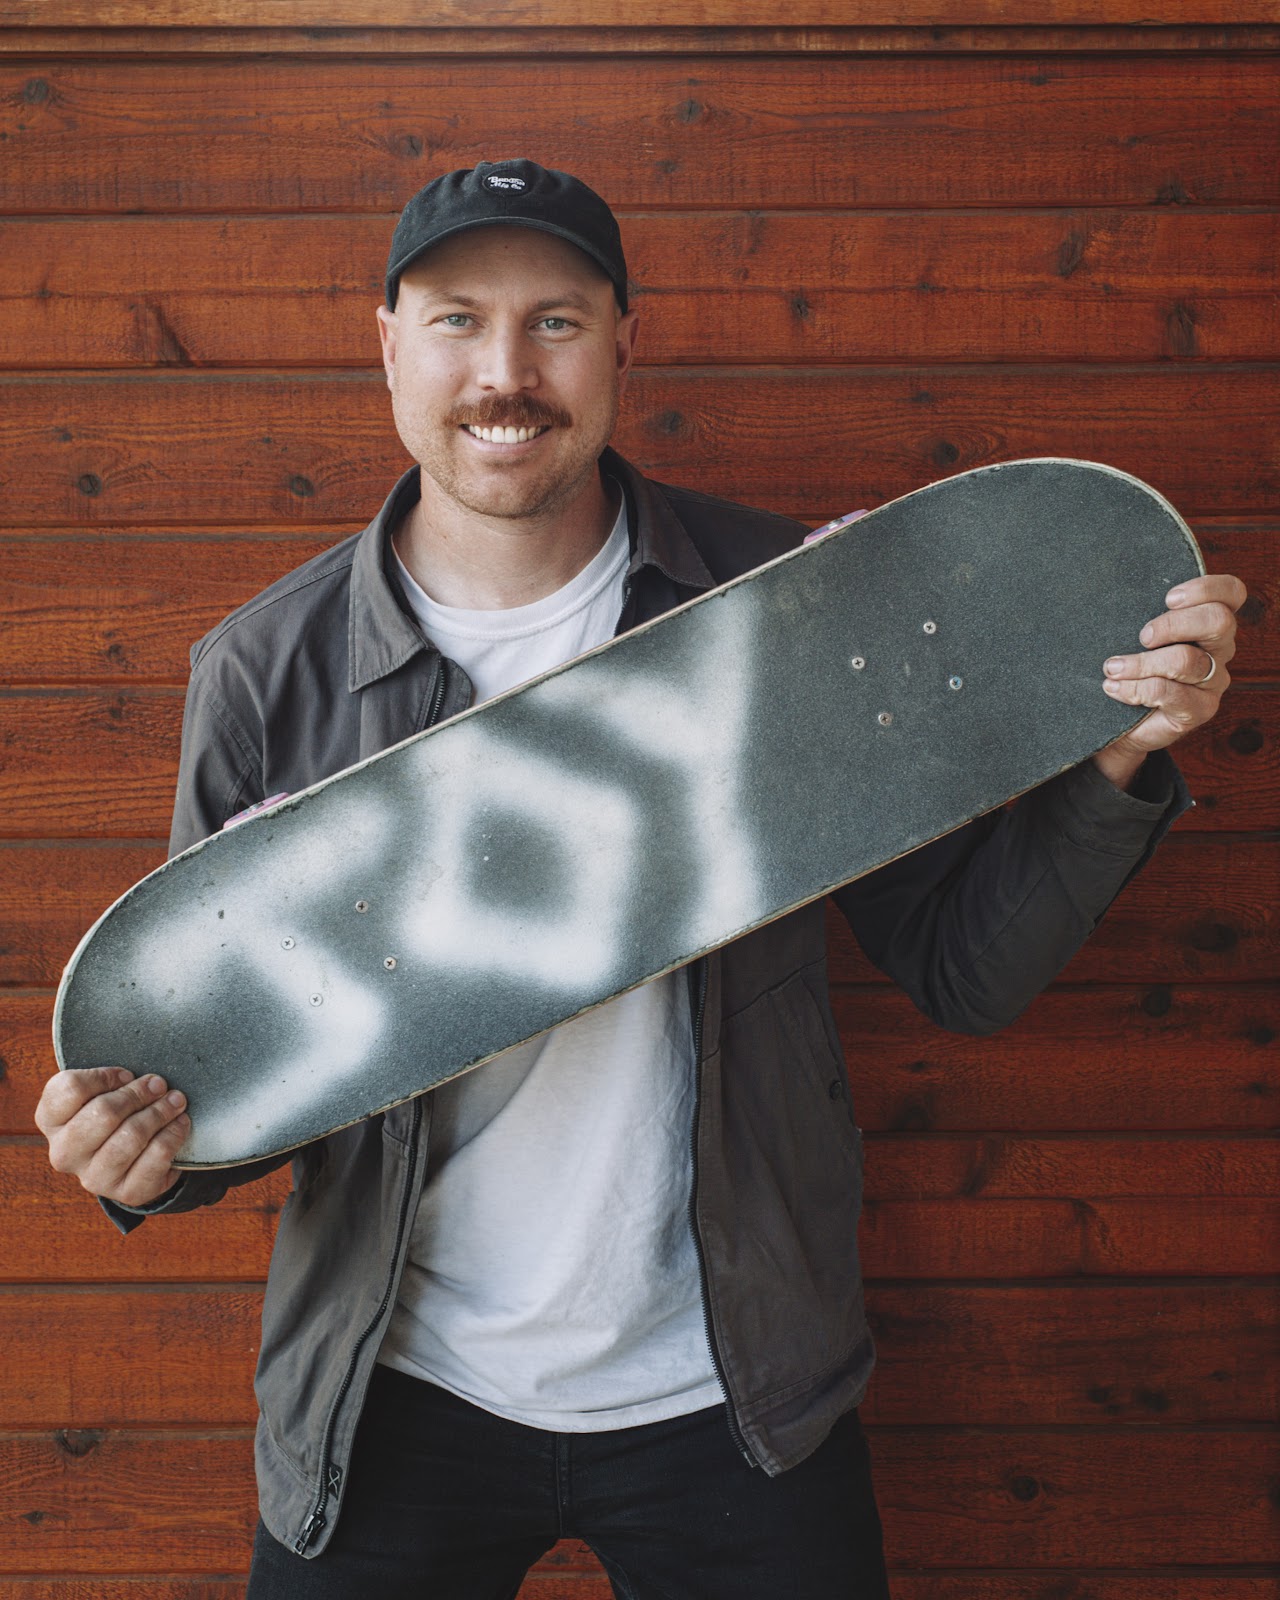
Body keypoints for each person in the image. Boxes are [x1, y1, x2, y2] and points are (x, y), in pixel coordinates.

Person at [35, 160, 1245, 1599]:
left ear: (624, 342)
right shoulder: (269, 671)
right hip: (393, 1397)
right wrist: (142, 1157)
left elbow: (964, 969)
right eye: (456, 321)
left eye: (555, 322)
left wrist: (1120, 756)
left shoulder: (773, 607)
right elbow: (230, 1070)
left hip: (736, 1391)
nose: (505, 371)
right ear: (388, 344)